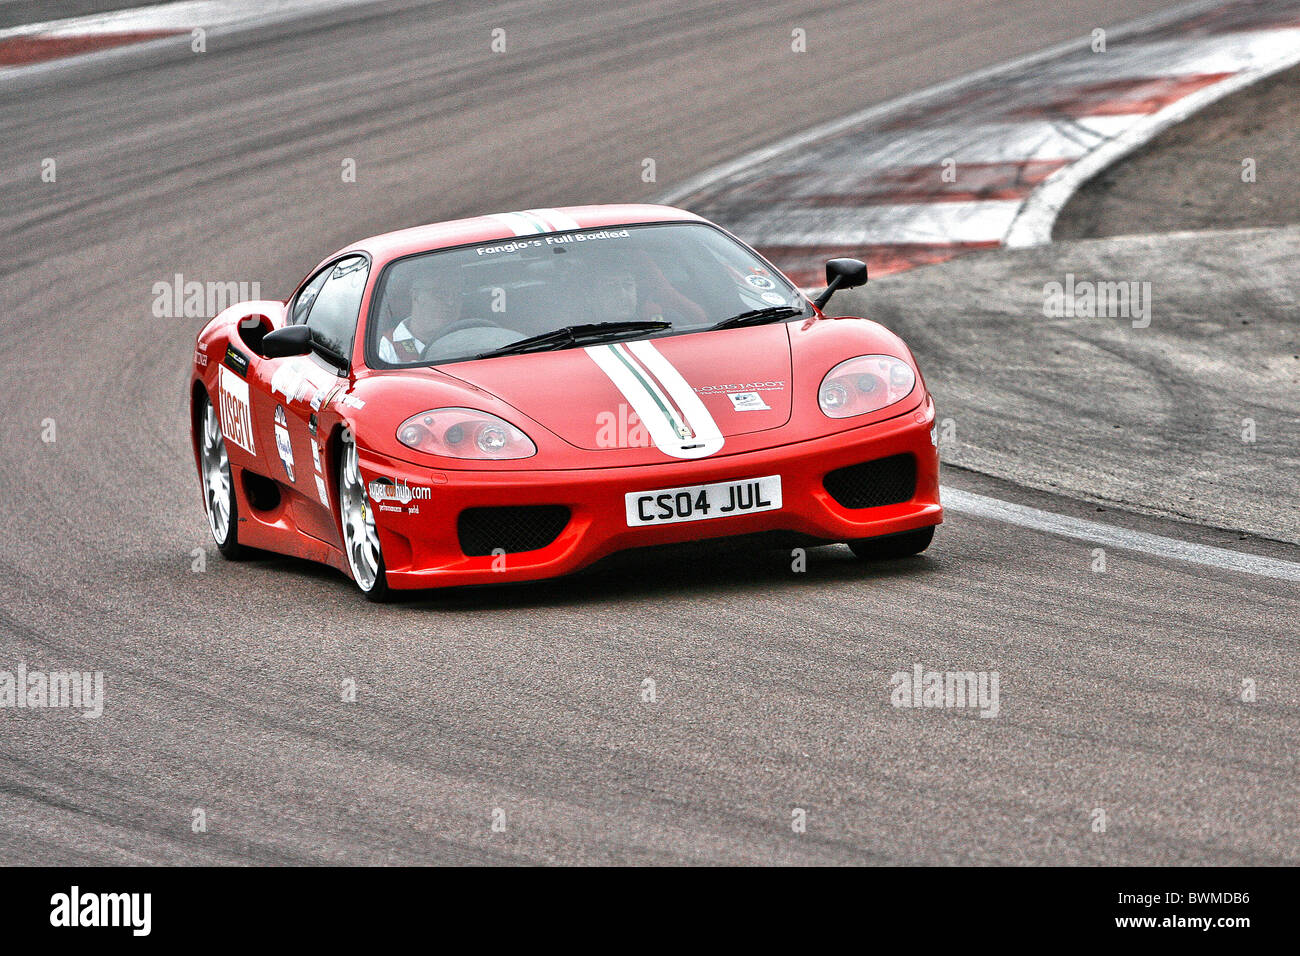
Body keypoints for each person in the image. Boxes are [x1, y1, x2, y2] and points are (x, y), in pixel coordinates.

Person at [378, 271, 464, 363]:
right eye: (440, 293)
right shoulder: (385, 348)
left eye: (457, 295)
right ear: (416, 296)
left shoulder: (470, 339)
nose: (450, 302)